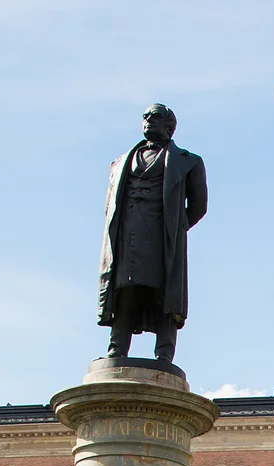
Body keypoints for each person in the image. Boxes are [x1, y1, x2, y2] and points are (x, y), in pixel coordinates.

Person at [98, 104, 208, 364]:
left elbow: (199, 206)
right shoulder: (119, 162)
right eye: (145, 116)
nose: (148, 120)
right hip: (128, 239)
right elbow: (109, 205)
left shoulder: (189, 162)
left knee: (165, 295)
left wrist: (174, 226)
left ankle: (164, 353)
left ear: (170, 126)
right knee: (125, 291)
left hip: (164, 239)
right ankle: (117, 349)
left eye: (155, 116)